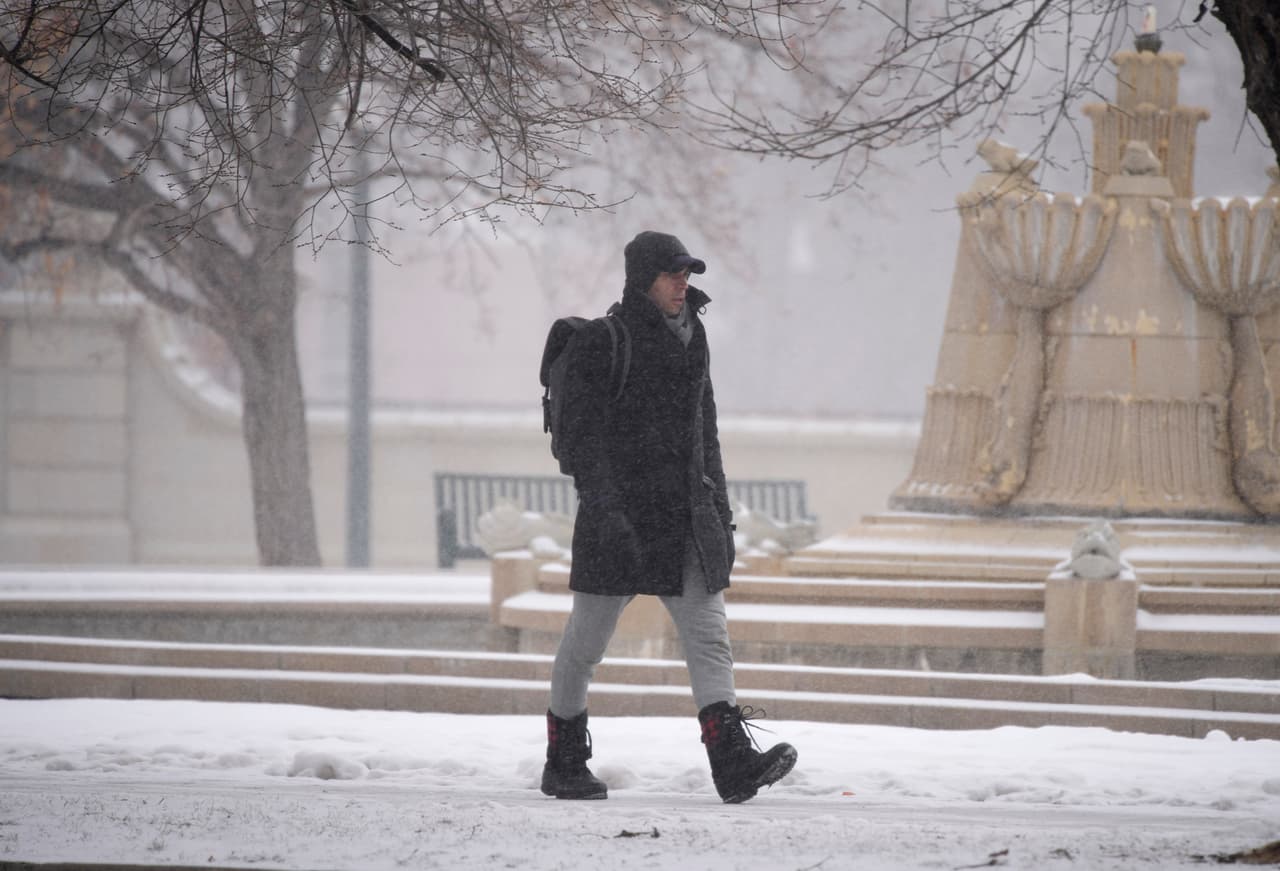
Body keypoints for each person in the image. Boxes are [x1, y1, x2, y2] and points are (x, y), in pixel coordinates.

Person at [540, 230, 798, 804]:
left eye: (687, 273)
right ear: (642, 279)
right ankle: (563, 761)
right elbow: (582, 442)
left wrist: (720, 516)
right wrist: (608, 513)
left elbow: (705, 435)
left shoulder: (694, 337)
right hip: (619, 521)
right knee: (587, 641)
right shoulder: (604, 343)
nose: (683, 283)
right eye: (672, 273)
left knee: (709, 635)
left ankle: (732, 764)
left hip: (684, 520)